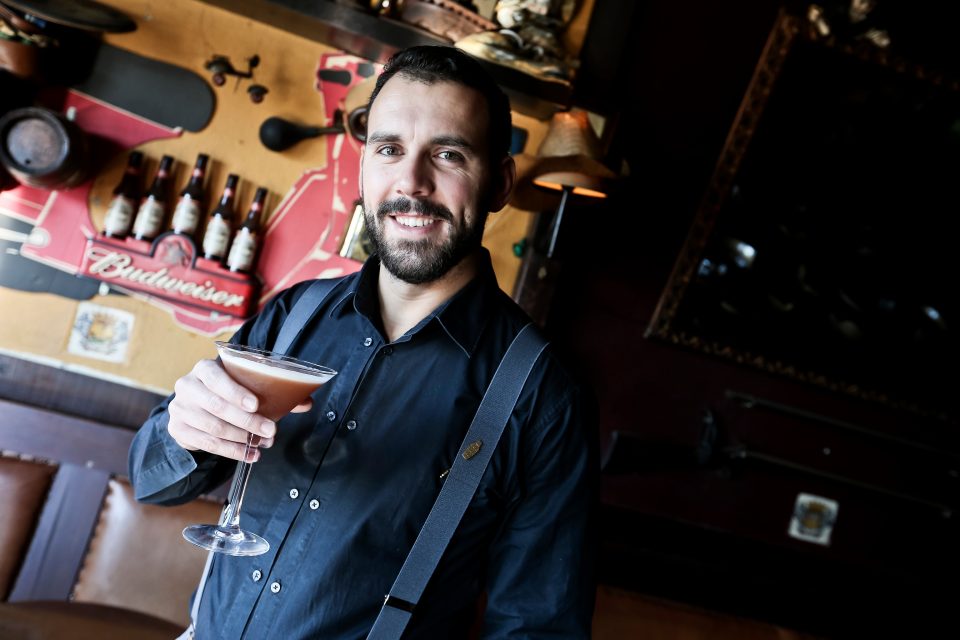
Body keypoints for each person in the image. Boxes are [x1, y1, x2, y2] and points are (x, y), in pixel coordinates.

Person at [128, 45, 597, 639]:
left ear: (500, 183)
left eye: (448, 154)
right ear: (364, 165)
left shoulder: (545, 397)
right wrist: (183, 431)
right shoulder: (295, 313)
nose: (411, 183)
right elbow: (153, 481)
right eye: (389, 149)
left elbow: (539, 629)